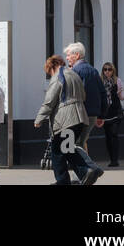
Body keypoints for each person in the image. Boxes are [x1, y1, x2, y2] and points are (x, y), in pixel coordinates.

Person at [34, 56, 97, 185]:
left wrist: (39, 118)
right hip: (79, 117)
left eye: (49, 71)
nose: (50, 74)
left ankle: (77, 174)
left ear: (52, 67)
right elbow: (84, 95)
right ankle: (84, 172)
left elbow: (49, 101)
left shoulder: (58, 76)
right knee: (67, 149)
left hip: (65, 120)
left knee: (57, 151)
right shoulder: (74, 75)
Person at [64, 43, 105, 178]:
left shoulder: (75, 71)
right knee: (80, 142)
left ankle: (89, 170)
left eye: (69, 54)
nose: (67, 57)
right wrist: (101, 115)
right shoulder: (93, 70)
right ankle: (82, 174)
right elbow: (102, 92)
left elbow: (71, 93)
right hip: (92, 113)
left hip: (78, 113)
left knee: (74, 145)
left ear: (77, 55)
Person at [100, 62, 124, 167]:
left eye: (109, 69)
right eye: (105, 69)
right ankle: (111, 158)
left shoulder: (117, 81)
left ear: (113, 70)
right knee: (108, 136)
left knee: (114, 134)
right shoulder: (100, 81)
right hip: (105, 112)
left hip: (115, 111)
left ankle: (115, 160)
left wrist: (123, 97)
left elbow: (120, 95)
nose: (107, 71)